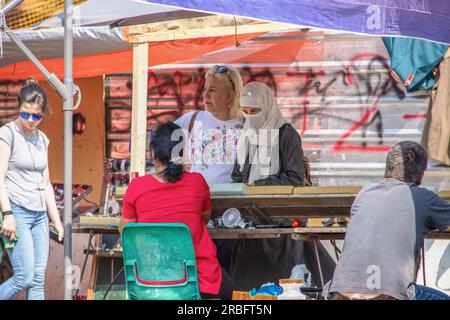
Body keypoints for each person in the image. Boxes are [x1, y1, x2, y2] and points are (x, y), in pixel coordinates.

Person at [230, 82, 336, 290]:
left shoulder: (287, 135)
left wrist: (256, 185)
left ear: (268, 107)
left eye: (255, 111)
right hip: (251, 222)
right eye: (246, 111)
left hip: (281, 223)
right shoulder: (247, 137)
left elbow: (293, 178)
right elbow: (237, 175)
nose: (251, 117)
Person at [118, 122, 236, 299]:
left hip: (150, 281)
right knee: (238, 295)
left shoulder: (137, 187)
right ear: (181, 153)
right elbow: (202, 220)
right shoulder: (197, 183)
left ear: (155, 156)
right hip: (198, 280)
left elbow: (126, 232)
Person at [325, 141, 450, 300]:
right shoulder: (422, 197)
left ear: (386, 170)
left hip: (340, 292)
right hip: (386, 294)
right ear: (421, 176)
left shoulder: (364, 194)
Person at [175, 65, 244, 273]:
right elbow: (162, 147)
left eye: (212, 90)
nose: (205, 94)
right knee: (194, 269)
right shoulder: (192, 119)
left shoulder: (246, 126)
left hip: (230, 212)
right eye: (205, 89)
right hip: (195, 209)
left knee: (223, 269)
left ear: (229, 95)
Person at [0, 79, 64, 300]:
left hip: (39, 217)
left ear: (43, 114)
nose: (29, 120)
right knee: (24, 277)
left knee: (37, 281)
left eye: (36, 116)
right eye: (25, 113)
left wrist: (55, 219)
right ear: (18, 107)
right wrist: (7, 214)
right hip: (16, 212)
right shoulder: (7, 134)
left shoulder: (42, 139)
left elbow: (45, 182)